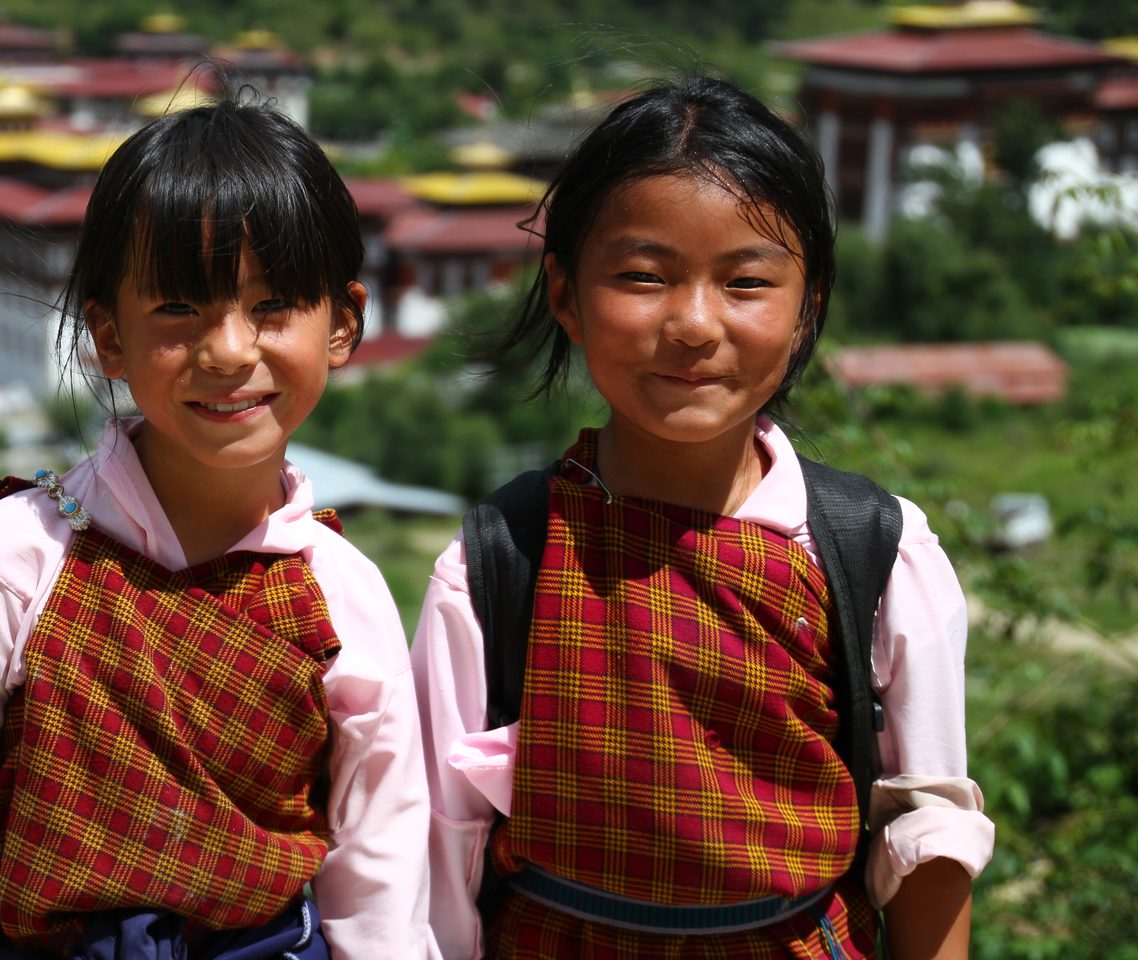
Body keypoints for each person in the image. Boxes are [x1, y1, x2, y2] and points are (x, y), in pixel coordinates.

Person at [410, 76, 995, 959]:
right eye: (643, 277)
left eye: (747, 282)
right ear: (565, 294)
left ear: (809, 307)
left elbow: (928, 834)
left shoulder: (872, 551)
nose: (693, 324)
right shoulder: (504, 559)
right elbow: (437, 854)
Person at [0, 99, 431, 959]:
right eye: (179, 311)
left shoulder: (344, 595)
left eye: (272, 305)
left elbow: (378, 883)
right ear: (108, 337)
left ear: (343, 322)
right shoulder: (2, 566)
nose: (229, 350)